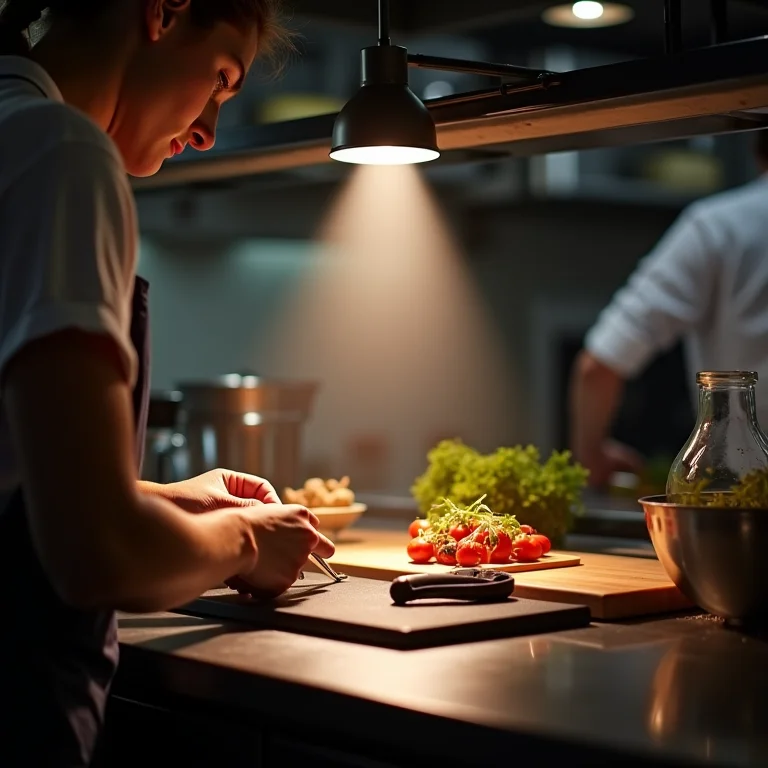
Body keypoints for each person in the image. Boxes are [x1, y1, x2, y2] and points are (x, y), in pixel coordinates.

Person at [0, 1, 335, 765]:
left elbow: (17, 480)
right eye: (220, 77)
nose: (210, 130)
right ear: (164, 9)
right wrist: (244, 540)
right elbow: (97, 552)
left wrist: (178, 500)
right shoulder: (58, 154)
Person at [569, 130, 768, 489]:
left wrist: (590, 455)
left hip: (744, 493)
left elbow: (598, 364)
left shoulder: (718, 227)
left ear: (758, 152)